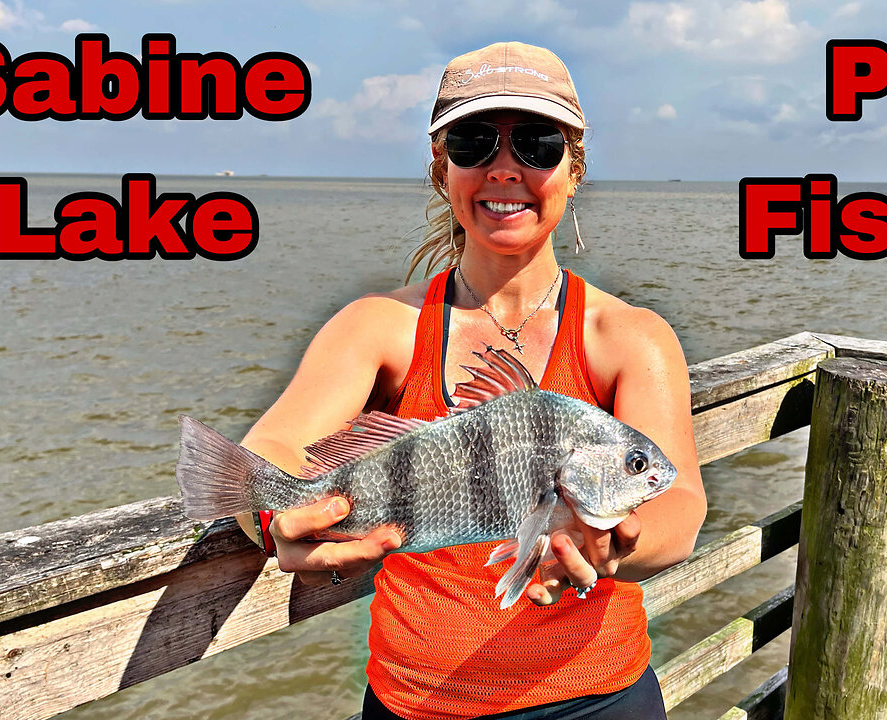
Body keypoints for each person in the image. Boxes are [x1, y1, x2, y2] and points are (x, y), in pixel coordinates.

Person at [233, 42, 705, 719]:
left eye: (538, 144)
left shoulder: (629, 336)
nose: (505, 168)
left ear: (573, 172)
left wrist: (618, 545)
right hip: (415, 705)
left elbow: (679, 501)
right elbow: (267, 457)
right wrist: (278, 516)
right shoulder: (378, 327)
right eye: (474, 142)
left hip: (597, 699)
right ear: (441, 169)